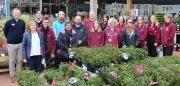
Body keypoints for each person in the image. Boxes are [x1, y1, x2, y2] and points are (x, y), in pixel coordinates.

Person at [3, 8, 25, 83]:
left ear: (20, 14)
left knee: (19, 60)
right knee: (12, 61)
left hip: (20, 44)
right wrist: (10, 38)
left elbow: (23, 31)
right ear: (13, 14)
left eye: (18, 13)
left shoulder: (22, 22)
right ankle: (12, 75)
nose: (16, 14)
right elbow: (5, 31)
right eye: (15, 13)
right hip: (11, 44)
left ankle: (18, 75)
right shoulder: (9, 22)